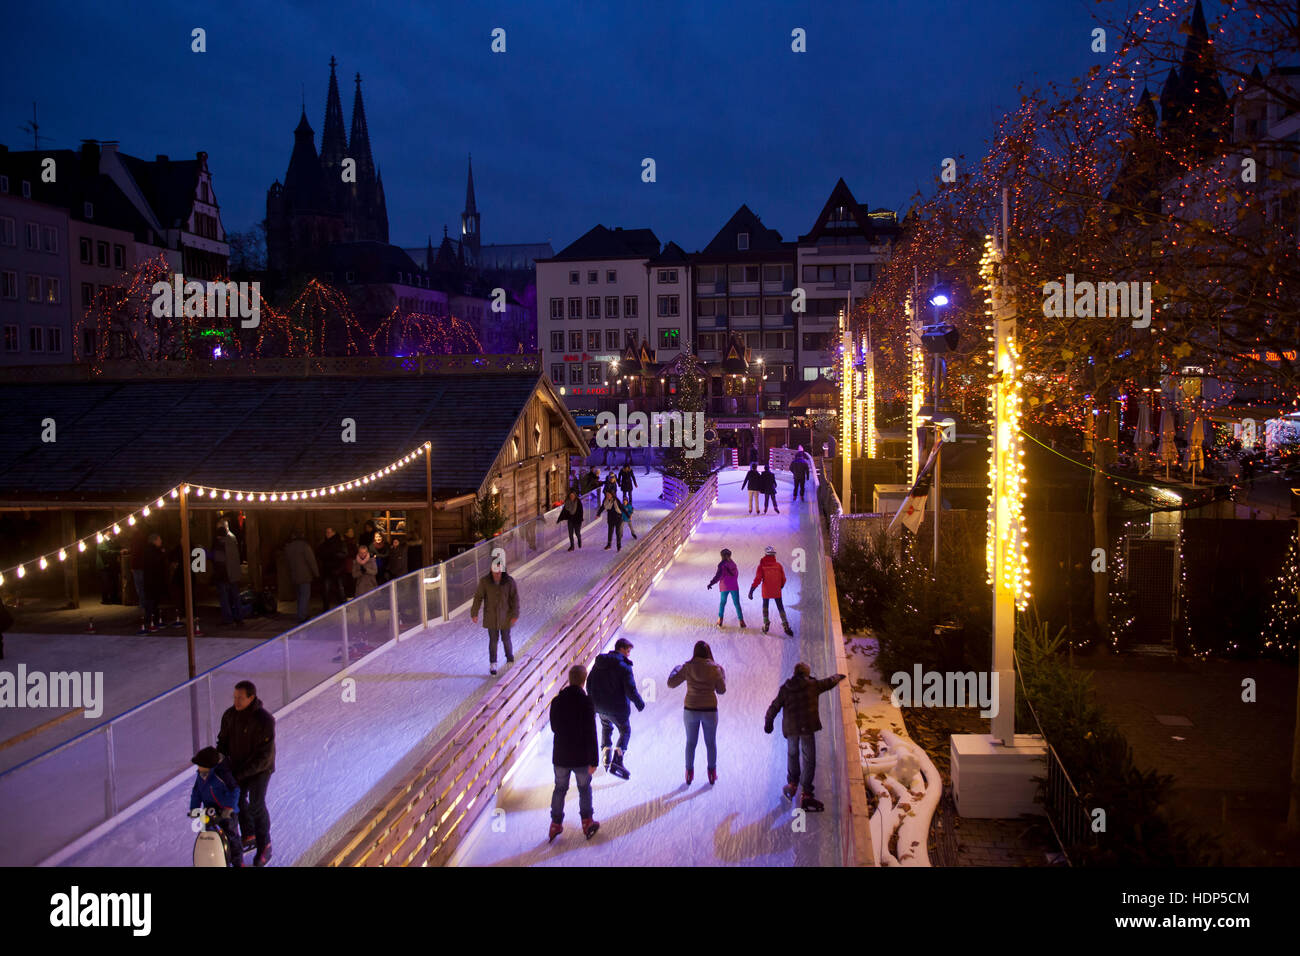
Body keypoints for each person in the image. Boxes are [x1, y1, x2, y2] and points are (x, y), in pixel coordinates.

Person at [764, 663, 846, 812]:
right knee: (809, 760)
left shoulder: (786, 688)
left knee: (792, 755)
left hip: (792, 729)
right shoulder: (812, 685)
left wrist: (768, 722)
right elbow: (828, 682)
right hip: (807, 727)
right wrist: (838, 677)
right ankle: (806, 793)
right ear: (806, 674)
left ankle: (792, 784)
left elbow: (774, 706)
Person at [216, 680, 276, 866]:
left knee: (257, 804)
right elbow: (223, 743)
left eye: (241, 698)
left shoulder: (265, 720)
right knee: (238, 800)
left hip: (260, 769)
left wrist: (240, 774)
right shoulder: (229, 716)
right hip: (238, 767)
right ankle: (249, 834)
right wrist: (219, 763)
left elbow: (264, 756)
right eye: (235, 697)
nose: (237, 702)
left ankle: (264, 844)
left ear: (251, 697)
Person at [548, 664, 600, 842]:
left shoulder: (557, 701)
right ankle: (587, 821)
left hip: (561, 756)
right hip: (581, 757)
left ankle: (555, 823)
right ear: (584, 681)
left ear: (569, 679)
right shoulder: (586, 702)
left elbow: (554, 727)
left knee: (560, 789)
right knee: (584, 789)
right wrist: (594, 760)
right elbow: (591, 732)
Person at [667, 640, 726, 785]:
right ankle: (712, 774)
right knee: (710, 743)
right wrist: (722, 674)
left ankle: (689, 774)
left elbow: (671, 683)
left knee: (691, 742)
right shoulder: (715, 668)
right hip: (710, 710)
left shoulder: (687, 667)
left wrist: (676, 669)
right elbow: (721, 690)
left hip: (691, 709)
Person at [586, 638, 646, 779]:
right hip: (617, 707)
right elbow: (630, 689)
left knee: (606, 727)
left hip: (600, 706)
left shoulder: (598, 664)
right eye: (628, 651)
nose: (629, 654)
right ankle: (617, 760)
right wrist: (639, 703)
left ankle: (606, 756)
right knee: (625, 730)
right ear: (622, 649)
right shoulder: (624, 667)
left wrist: (593, 703)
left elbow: (589, 683)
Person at [189, 745, 242, 867]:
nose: (198, 768)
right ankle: (213, 861)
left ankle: (238, 862)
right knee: (208, 837)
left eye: (200, 765)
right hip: (209, 812)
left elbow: (235, 790)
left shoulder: (222, 774)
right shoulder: (201, 776)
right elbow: (196, 792)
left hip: (226, 813)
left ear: (209, 765)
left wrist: (229, 808)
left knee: (231, 837)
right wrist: (194, 808)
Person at [470, 563, 520, 676]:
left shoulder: (509, 582)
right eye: (495, 572)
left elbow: (515, 599)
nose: (497, 574)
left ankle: (510, 660)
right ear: (491, 571)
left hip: (505, 617)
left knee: (506, 639)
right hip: (491, 617)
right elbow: (478, 597)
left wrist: (515, 614)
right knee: (493, 641)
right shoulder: (485, 582)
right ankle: (493, 663)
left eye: (499, 572)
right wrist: (474, 613)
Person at [749, 545, 793, 636]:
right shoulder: (778, 565)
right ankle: (785, 625)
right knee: (780, 607)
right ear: (774, 555)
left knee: (765, 606)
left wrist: (751, 590)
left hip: (766, 591)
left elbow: (758, 579)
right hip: (776, 590)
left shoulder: (761, 566)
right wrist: (780, 586)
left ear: (765, 554)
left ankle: (766, 624)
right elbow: (783, 578)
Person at [211, 520, 245, 628]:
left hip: (225, 574)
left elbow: (219, 558)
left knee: (225, 597)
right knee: (235, 596)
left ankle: (228, 618)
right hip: (232, 573)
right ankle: (239, 617)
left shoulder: (223, 541)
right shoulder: (233, 538)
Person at [283, 529, 319, 623]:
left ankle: (300, 613)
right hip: (305, 575)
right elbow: (311, 561)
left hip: (294, 575)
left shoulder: (288, 547)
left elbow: (286, 563)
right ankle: (302, 616)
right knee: (305, 596)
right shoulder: (305, 546)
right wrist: (316, 573)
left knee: (299, 596)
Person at [707, 548, 745, 628]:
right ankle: (741, 621)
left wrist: (711, 583)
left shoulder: (722, 565)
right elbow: (736, 574)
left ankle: (720, 620)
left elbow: (718, 576)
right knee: (737, 604)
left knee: (722, 603)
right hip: (734, 586)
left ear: (722, 556)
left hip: (724, 586)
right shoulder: (733, 564)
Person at [141, 533, 169, 633]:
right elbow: (155, 563)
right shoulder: (152, 551)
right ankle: (152, 620)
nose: (161, 542)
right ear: (155, 541)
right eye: (159, 540)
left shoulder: (150, 550)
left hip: (151, 580)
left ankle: (153, 619)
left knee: (153, 601)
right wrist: (162, 554)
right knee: (152, 601)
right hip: (153, 580)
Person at [316, 527, 349, 611]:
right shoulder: (323, 543)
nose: (327, 534)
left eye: (329, 532)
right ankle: (326, 609)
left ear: (334, 533)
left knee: (341, 588)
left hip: (338, 569)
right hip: (327, 569)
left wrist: (333, 555)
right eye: (326, 532)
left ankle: (344, 607)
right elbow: (319, 553)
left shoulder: (340, 543)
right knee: (326, 589)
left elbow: (344, 554)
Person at [351, 544, 379, 625]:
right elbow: (354, 574)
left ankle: (373, 619)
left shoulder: (372, 560)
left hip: (370, 585)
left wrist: (366, 570)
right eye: (361, 553)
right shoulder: (356, 562)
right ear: (358, 553)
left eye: (364, 553)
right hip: (360, 586)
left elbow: (375, 571)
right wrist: (360, 572)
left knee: (371, 604)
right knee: (361, 606)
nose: (362, 554)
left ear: (367, 552)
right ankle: (361, 621)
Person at [96, 534, 121, 605]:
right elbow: (105, 552)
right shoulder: (101, 540)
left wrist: (119, 550)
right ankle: (105, 599)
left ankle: (114, 598)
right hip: (103, 566)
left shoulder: (109, 540)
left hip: (110, 565)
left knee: (113, 582)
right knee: (105, 583)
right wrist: (118, 552)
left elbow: (114, 548)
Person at [341, 527, 359, 598]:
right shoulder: (344, 542)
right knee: (349, 581)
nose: (352, 533)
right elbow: (347, 553)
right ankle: (349, 597)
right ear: (346, 533)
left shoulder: (354, 541)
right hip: (348, 564)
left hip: (354, 563)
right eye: (350, 531)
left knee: (354, 581)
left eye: (352, 531)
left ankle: (354, 596)